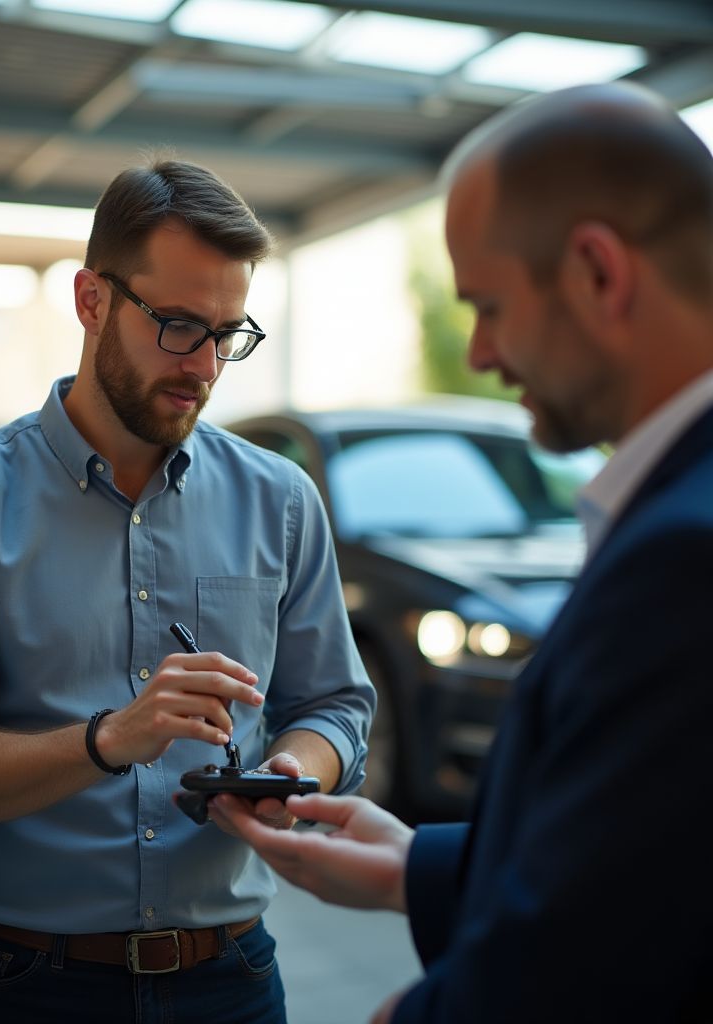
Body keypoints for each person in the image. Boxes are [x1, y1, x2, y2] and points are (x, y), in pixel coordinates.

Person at [210, 81, 713, 1023]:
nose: (479, 352)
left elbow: (596, 958)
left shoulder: (683, 557)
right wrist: (418, 865)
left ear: (598, 274)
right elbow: (651, 850)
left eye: (487, 304)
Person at [0, 158, 375, 1024]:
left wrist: (292, 772)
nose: (206, 367)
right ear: (92, 301)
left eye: (227, 334)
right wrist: (111, 738)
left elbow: (335, 706)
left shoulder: (283, 501)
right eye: (179, 326)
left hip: (232, 980)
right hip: (24, 985)